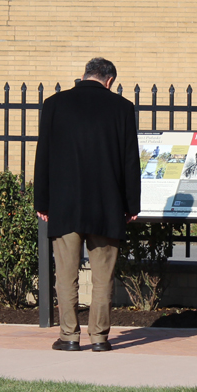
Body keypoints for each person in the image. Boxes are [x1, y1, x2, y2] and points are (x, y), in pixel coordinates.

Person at [34, 58, 141, 352]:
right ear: (109, 80)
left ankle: (69, 336)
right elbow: (130, 160)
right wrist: (132, 204)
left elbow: (43, 155)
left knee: (66, 276)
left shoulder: (55, 104)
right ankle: (99, 338)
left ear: (84, 75)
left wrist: (41, 201)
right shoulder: (122, 108)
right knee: (102, 276)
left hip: (64, 204)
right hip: (107, 205)